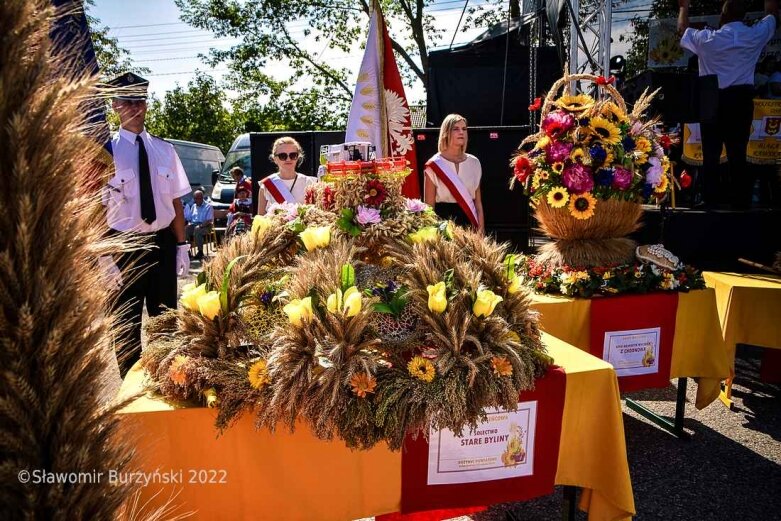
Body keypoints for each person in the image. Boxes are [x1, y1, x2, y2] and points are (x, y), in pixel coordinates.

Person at [101, 72, 191, 377]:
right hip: (122, 246)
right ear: (114, 105)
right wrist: (103, 257)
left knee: (165, 319)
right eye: (127, 102)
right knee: (126, 323)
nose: (135, 108)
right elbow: (92, 212)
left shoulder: (164, 150)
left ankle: (167, 380)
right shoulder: (104, 153)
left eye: (140, 101)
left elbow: (176, 202)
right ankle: (130, 386)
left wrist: (182, 245)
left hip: (161, 242)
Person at [678, 0, 780, 208]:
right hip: (740, 100)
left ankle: (710, 201)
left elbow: (682, 30)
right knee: (738, 153)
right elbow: (772, 14)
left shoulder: (708, 39)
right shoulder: (754, 35)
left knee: (711, 155)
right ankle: (740, 202)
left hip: (712, 99)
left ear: (723, 17)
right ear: (743, 16)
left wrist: (684, 7)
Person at [423, 114, 485, 232]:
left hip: (470, 224)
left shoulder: (474, 163)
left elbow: (478, 205)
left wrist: (481, 231)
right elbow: (429, 208)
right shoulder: (434, 164)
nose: (461, 132)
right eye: (456, 129)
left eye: (464, 129)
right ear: (446, 132)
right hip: (443, 225)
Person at [257, 136, 317, 215]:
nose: (288, 159)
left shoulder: (310, 183)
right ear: (275, 159)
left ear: (298, 157)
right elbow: (260, 220)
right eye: (283, 156)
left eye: (293, 155)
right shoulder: (266, 185)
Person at [184, 189, 214, 260]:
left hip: (206, 225)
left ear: (202, 197)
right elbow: (190, 218)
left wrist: (201, 226)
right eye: (196, 198)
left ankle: (200, 252)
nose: (197, 200)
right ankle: (187, 252)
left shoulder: (208, 206)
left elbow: (209, 220)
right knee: (185, 230)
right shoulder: (194, 206)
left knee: (197, 230)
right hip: (194, 224)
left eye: (199, 198)